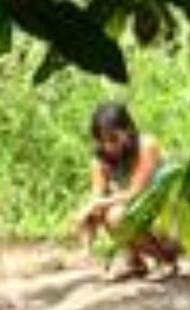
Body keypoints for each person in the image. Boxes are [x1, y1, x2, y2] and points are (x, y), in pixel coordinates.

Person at [74, 101, 180, 280]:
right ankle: (135, 262)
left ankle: (165, 260)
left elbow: (136, 192)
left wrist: (96, 204)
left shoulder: (146, 145)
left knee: (116, 217)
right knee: (103, 213)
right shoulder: (100, 159)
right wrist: (87, 228)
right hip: (129, 204)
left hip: (157, 200)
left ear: (128, 131)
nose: (108, 146)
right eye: (102, 140)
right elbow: (97, 196)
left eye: (113, 139)